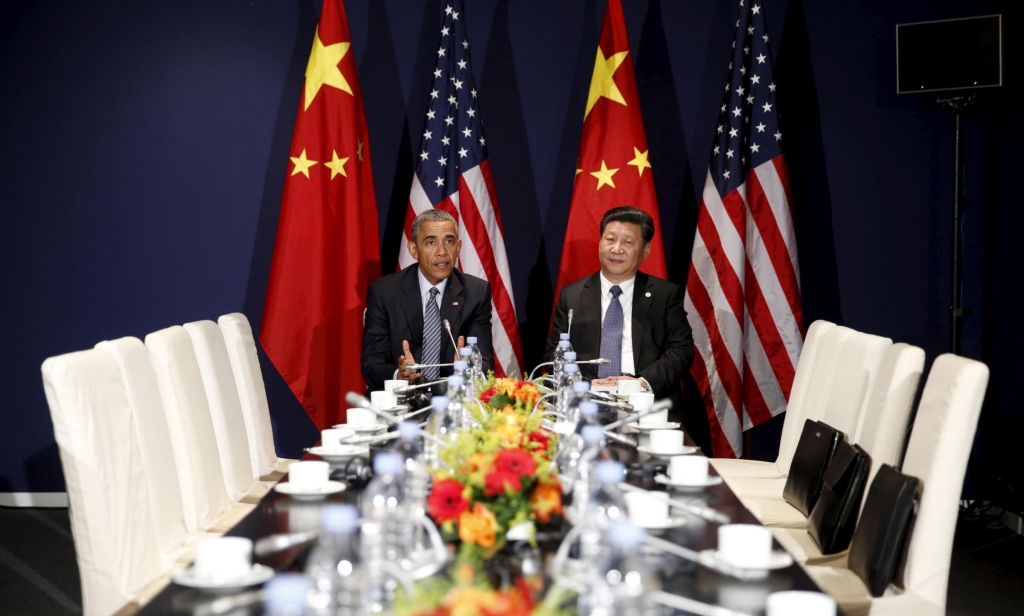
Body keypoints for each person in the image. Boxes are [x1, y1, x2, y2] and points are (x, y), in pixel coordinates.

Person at [545, 206, 708, 452]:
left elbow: (681, 350)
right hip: (588, 404)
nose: (616, 248)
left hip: (646, 405)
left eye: (627, 241)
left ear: (645, 250)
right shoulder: (573, 296)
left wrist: (641, 383)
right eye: (610, 239)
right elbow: (553, 356)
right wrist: (585, 386)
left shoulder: (665, 295)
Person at [361, 210, 493, 392]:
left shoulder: (476, 292)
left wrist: (469, 369)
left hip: (452, 398)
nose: (442, 252)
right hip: (399, 400)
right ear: (413, 249)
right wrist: (399, 376)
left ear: (458, 246)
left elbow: (485, 360)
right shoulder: (384, 292)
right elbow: (371, 362)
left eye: (449, 241)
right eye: (431, 242)